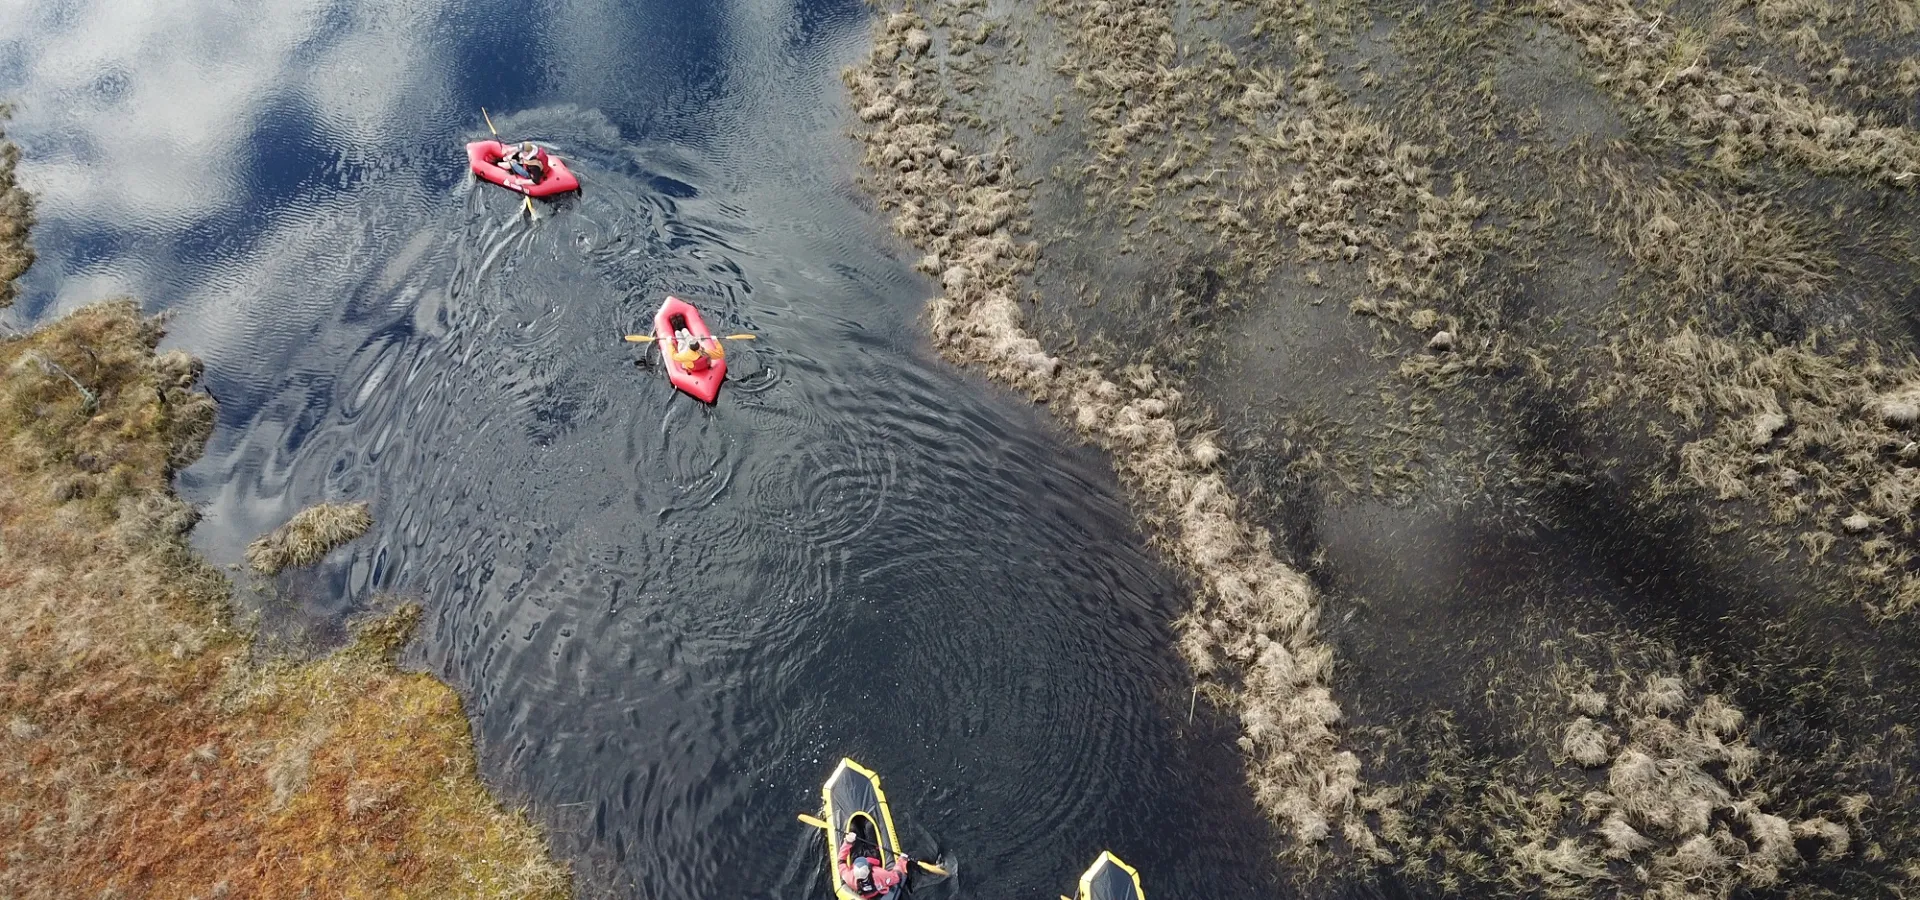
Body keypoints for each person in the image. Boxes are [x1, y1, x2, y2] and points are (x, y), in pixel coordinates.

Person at [838, 829, 908, 899]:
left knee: (854, 830)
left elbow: (841, 862)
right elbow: (897, 876)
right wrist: (903, 859)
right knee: (869, 827)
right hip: (872, 855)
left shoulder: (849, 877)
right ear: (868, 868)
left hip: (857, 855)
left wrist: (848, 842)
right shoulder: (879, 874)